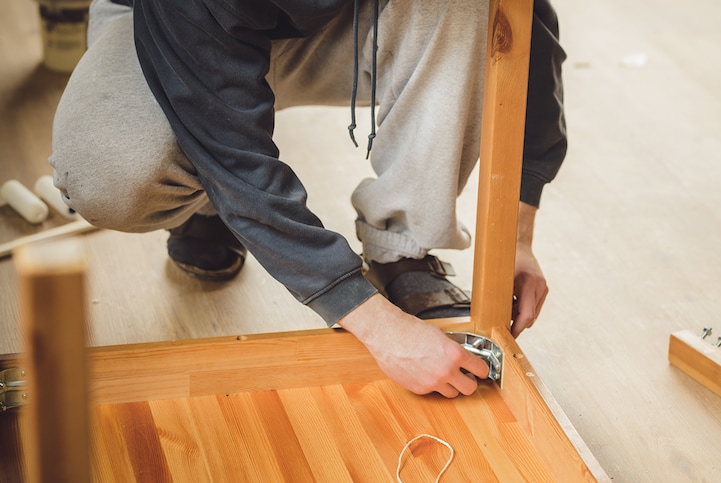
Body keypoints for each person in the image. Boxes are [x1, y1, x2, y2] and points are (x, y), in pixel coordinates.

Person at [50, 0, 567, 398]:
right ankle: (205, 196)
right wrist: (372, 322)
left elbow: (519, 23)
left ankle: (401, 246)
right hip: (178, 32)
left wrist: (517, 232)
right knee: (108, 174)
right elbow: (222, 135)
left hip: (354, 20)